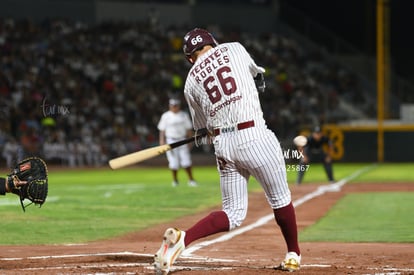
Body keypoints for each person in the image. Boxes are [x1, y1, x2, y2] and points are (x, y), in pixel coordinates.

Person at [153, 28, 301, 274]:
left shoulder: (190, 82)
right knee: (280, 199)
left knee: (232, 213)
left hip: (224, 147)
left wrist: (206, 131)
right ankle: (293, 254)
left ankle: (184, 237)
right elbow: (257, 76)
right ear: (213, 42)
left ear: (190, 57)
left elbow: (201, 133)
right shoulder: (234, 48)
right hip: (254, 136)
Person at [157, 98, 198, 187]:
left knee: (186, 160)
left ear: (178, 106)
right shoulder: (166, 116)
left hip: (182, 140)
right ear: (170, 106)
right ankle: (175, 181)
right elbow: (162, 130)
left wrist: (190, 141)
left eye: (176, 105)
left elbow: (188, 129)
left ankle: (191, 180)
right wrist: (162, 141)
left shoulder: (183, 115)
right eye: (172, 106)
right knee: (173, 162)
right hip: (171, 140)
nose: (174, 107)